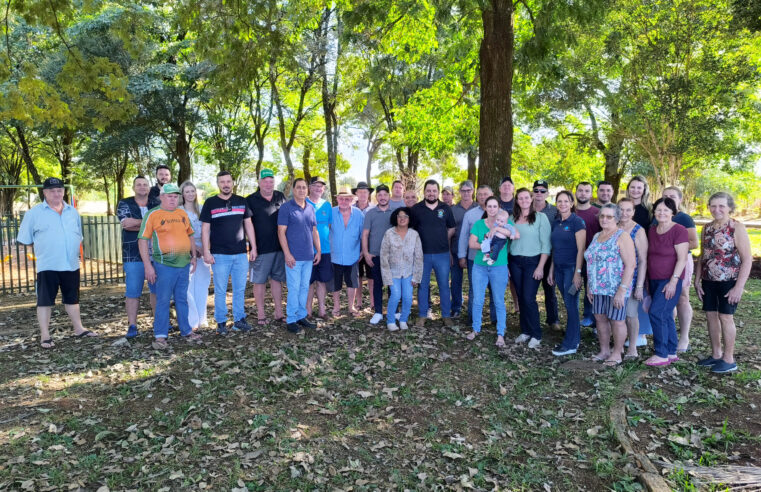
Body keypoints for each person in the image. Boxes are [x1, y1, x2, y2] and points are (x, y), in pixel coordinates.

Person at [17, 177, 96, 348]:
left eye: (59, 190)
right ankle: (45, 335)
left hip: (71, 264)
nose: (56, 193)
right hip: (48, 265)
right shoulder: (34, 213)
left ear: (63, 192)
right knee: (45, 301)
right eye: (52, 190)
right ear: (44, 193)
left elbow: (78, 236)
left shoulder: (72, 212)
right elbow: (25, 239)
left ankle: (78, 328)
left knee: (73, 299)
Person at [694, 192, 752, 374]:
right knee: (711, 316)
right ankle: (716, 354)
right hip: (708, 281)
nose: (716, 209)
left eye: (721, 206)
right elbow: (703, 256)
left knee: (725, 317)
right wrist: (697, 280)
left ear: (729, 208)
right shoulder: (707, 228)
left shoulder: (736, 227)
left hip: (729, 281)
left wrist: (739, 287)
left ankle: (729, 359)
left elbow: (747, 259)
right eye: (713, 206)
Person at [138, 183, 201, 349]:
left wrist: (193, 256)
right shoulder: (153, 215)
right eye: (169, 196)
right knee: (163, 300)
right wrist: (148, 266)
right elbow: (143, 240)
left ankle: (186, 330)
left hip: (184, 264)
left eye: (175, 196)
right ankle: (160, 334)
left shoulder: (182, 213)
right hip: (164, 265)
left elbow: (191, 235)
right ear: (162, 197)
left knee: (182, 299)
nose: (173, 199)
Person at [200, 171, 257, 335]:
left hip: (240, 254)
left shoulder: (241, 201)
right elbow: (205, 229)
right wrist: (206, 251)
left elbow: (249, 225)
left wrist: (253, 247)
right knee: (220, 290)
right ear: (218, 184)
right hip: (219, 255)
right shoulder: (210, 203)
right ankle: (221, 322)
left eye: (228, 181)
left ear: (233, 183)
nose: (225, 184)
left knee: (240, 289)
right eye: (222, 182)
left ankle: (239, 320)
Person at [585, 204, 636, 366]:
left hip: (616, 288)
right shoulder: (596, 236)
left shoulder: (622, 236)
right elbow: (591, 262)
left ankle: (616, 353)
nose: (604, 219)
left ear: (617, 218)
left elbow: (631, 265)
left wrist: (622, 290)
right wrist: (589, 287)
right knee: (600, 319)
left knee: (617, 320)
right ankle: (604, 350)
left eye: (609, 216)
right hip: (597, 288)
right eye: (602, 216)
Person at [466, 197, 518, 346]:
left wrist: (496, 229)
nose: (492, 209)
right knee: (478, 299)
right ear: (485, 208)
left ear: (499, 208)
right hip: (479, 267)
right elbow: (471, 243)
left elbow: (516, 235)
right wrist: (487, 246)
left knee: (498, 300)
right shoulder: (479, 224)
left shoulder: (506, 224)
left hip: (499, 267)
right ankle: (476, 329)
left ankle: (500, 333)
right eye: (489, 206)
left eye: (495, 206)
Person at [644, 197, 689, 367]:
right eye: (658, 210)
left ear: (673, 212)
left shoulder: (679, 230)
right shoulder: (652, 230)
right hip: (654, 279)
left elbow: (682, 259)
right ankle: (671, 351)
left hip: (670, 280)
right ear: (654, 212)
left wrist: (673, 282)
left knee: (656, 313)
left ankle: (661, 354)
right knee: (666, 315)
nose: (661, 213)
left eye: (666, 210)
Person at [117, 176, 160, 338]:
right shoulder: (125, 203)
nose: (142, 187)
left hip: (156, 254)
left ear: (149, 187)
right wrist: (150, 224)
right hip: (133, 255)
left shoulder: (156, 203)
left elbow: (161, 224)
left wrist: (139, 224)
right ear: (134, 187)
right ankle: (132, 325)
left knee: (157, 290)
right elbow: (126, 224)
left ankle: (159, 322)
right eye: (139, 184)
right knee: (133, 292)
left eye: (145, 184)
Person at [410, 179, 456, 327]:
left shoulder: (445, 208)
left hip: (442, 254)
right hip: (422, 254)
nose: (431, 193)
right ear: (424, 192)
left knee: (443, 284)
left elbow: (452, 228)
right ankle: (423, 315)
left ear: (438, 192)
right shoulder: (416, 209)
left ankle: (446, 315)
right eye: (428, 191)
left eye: (434, 191)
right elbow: (411, 230)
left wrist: (443, 238)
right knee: (423, 285)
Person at [658, 186, 698, 352]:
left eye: (672, 196)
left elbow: (694, 243)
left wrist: (672, 245)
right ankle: (669, 333)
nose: (669, 198)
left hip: (681, 260)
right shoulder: (658, 215)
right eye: (665, 196)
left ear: (680, 200)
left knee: (682, 297)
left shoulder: (684, 218)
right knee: (666, 297)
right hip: (661, 263)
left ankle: (684, 337)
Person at [277, 178, 321, 333]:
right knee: (294, 288)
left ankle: (301, 316)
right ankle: (291, 319)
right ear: (293, 190)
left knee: (304, 287)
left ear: (307, 190)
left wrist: (318, 251)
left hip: (308, 256)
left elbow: (314, 231)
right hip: (293, 258)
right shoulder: (286, 208)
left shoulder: (310, 208)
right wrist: (287, 254)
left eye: (304, 188)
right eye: (298, 188)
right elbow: (281, 232)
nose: (302, 190)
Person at [508, 188, 551, 347]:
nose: (524, 200)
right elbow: (507, 243)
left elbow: (546, 244)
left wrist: (540, 267)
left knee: (528, 297)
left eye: (527, 197)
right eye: (520, 198)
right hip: (514, 262)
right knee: (520, 296)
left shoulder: (541, 217)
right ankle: (525, 331)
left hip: (533, 262)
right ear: (517, 201)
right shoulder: (511, 219)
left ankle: (536, 334)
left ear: (531, 199)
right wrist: (506, 264)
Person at [246, 168, 287, 325]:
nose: (268, 184)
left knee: (277, 280)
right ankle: (261, 314)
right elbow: (247, 225)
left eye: (271, 181)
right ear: (259, 182)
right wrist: (252, 247)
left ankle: (278, 312)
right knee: (260, 281)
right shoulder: (250, 200)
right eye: (265, 181)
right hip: (261, 249)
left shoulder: (280, 196)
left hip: (279, 248)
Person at [549, 191, 586, 355]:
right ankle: (574, 338)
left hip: (571, 269)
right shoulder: (556, 222)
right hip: (558, 269)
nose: (562, 204)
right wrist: (551, 270)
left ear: (572, 203)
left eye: (566, 201)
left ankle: (571, 344)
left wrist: (578, 273)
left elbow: (581, 250)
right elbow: (554, 249)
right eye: (559, 201)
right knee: (568, 304)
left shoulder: (577, 222)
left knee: (571, 306)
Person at [458, 185, 497, 324]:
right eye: (479, 194)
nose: (482, 196)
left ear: (492, 194)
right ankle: (473, 318)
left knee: (495, 289)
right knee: (474, 290)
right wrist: (461, 255)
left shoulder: (501, 214)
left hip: (495, 260)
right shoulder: (470, 214)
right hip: (474, 259)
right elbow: (463, 236)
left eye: (485, 193)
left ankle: (495, 319)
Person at [380, 207, 423, 331]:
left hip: (409, 272)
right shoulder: (389, 233)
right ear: (396, 218)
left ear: (409, 219)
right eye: (399, 216)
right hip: (393, 273)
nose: (402, 219)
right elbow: (384, 256)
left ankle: (403, 319)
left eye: (405, 216)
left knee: (408, 297)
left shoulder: (414, 234)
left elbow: (418, 256)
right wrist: (386, 277)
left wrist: (416, 276)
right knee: (396, 295)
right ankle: (390, 320)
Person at [617, 198, 648, 359]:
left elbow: (643, 260)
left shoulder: (638, 231)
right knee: (616, 315)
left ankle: (633, 347)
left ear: (633, 212)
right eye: (621, 209)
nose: (624, 213)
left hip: (632, 280)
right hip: (613, 280)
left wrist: (640, 286)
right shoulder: (612, 227)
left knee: (630, 314)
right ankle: (618, 345)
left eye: (628, 210)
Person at [180, 181, 211, 331]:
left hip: (204, 251)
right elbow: (179, 233)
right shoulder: (179, 211)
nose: (190, 194)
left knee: (202, 286)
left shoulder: (202, 209)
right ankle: (192, 321)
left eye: (192, 191)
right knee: (188, 288)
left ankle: (202, 319)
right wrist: (194, 249)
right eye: (187, 192)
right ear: (182, 194)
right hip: (186, 251)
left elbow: (209, 230)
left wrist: (205, 249)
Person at [362, 184, 395, 324]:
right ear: (376, 197)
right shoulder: (370, 213)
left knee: (393, 285)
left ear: (389, 196)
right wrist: (366, 253)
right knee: (377, 284)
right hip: (375, 255)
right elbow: (365, 235)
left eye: (385, 195)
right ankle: (378, 312)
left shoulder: (395, 213)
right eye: (379, 195)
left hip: (392, 256)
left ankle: (394, 311)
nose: (382, 197)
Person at [330, 187, 365, 318]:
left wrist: (362, 250)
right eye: (341, 198)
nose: (344, 201)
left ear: (352, 200)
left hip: (353, 254)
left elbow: (363, 234)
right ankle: (336, 306)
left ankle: (351, 306)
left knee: (352, 282)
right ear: (337, 199)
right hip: (335, 254)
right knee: (336, 283)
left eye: (347, 199)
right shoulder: (331, 212)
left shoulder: (358, 214)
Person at [531, 180, 559, 331]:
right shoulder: (526, 209)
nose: (539, 194)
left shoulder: (554, 211)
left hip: (548, 255)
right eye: (536, 190)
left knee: (549, 288)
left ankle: (553, 320)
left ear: (547, 193)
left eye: (542, 191)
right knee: (530, 290)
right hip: (530, 255)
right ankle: (530, 319)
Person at [306, 177, 333, 319]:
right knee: (310, 281)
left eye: (321, 186)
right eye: (315, 185)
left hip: (325, 250)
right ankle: (308, 310)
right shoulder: (304, 203)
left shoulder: (327, 205)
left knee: (322, 281)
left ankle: (322, 310)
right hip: (307, 250)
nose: (318, 188)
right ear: (310, 187)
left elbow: (329, 226)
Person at [575, 181, 601, 328]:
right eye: (580, 190)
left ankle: (591, 318)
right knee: (574, 288)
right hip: (574, 257)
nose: (583, 193)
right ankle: (576, 318)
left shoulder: (597, 213)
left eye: (586, 191)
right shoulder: (570, 211)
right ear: (576, 192)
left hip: (593, 259)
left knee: (591, 289)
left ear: (591, 194)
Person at [449, 180, 476, 318]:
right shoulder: (453, 210)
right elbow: (448, 231)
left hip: (474, 251)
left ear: (472, 191)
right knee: (455, 280)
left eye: (468, 190)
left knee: (474, 281)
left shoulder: (479, 208)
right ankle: (456, 307)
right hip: (455, 249)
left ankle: (472, 311)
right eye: (463, 190)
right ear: (459, 192)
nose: (466, 193)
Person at [352, 181, 374, 313]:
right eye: (360, 192)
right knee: (358, 276)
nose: (362, 194)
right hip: (354, 247)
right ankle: (358, 302)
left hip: (370, 247)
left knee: (371, 276)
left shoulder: (373, 209)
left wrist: (365, 250)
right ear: (356, 193)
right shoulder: (351, 208)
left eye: (365, 192)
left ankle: (372, 302)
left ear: (369, 194)